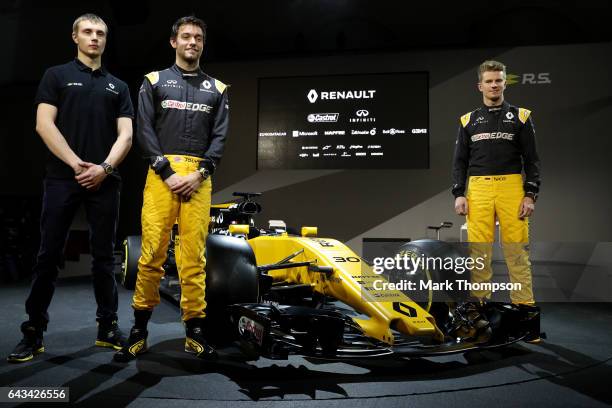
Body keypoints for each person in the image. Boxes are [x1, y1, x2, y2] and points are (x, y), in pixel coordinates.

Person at [8, 13, 134, 363]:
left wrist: (105, 168)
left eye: (101, 34)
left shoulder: (118, 86)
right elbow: (43, 124)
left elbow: (126, 134)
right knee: (48, 256)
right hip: (63, 178)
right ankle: (33, 331)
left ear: (106, 40)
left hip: (106, 180)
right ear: (75, 37)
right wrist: (76, 163)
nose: (95, 38)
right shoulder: (56, 76)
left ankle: (107, 327)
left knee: (105, 258)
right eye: (88, 32)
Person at [114, 15, 229, 362]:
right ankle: (139, 331)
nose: (192, 42)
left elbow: (220, 137)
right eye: (186, 37)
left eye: (198, 38)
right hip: (161, 176)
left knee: (193, 258)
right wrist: (166, 170)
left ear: (202, 44)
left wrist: (200, 173)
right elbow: (144, 129)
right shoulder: (153, 81)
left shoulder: (218, 89)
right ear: (173, 42)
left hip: (199, 179)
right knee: (151, 257)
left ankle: (195, 332)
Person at [452, 60, 541, 312]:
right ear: (480, 86)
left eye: (498, 80)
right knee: (478, 254)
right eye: (489, 81)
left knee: (517, 253)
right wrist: (459, 193)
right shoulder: (468, 120)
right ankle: (478, 311)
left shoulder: (521, 116)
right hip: (478, 189)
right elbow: (459, 162)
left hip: (512, 187)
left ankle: (525, 311)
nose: (494, 85)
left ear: (505, 83)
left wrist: (530, 194)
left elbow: (532, 160)